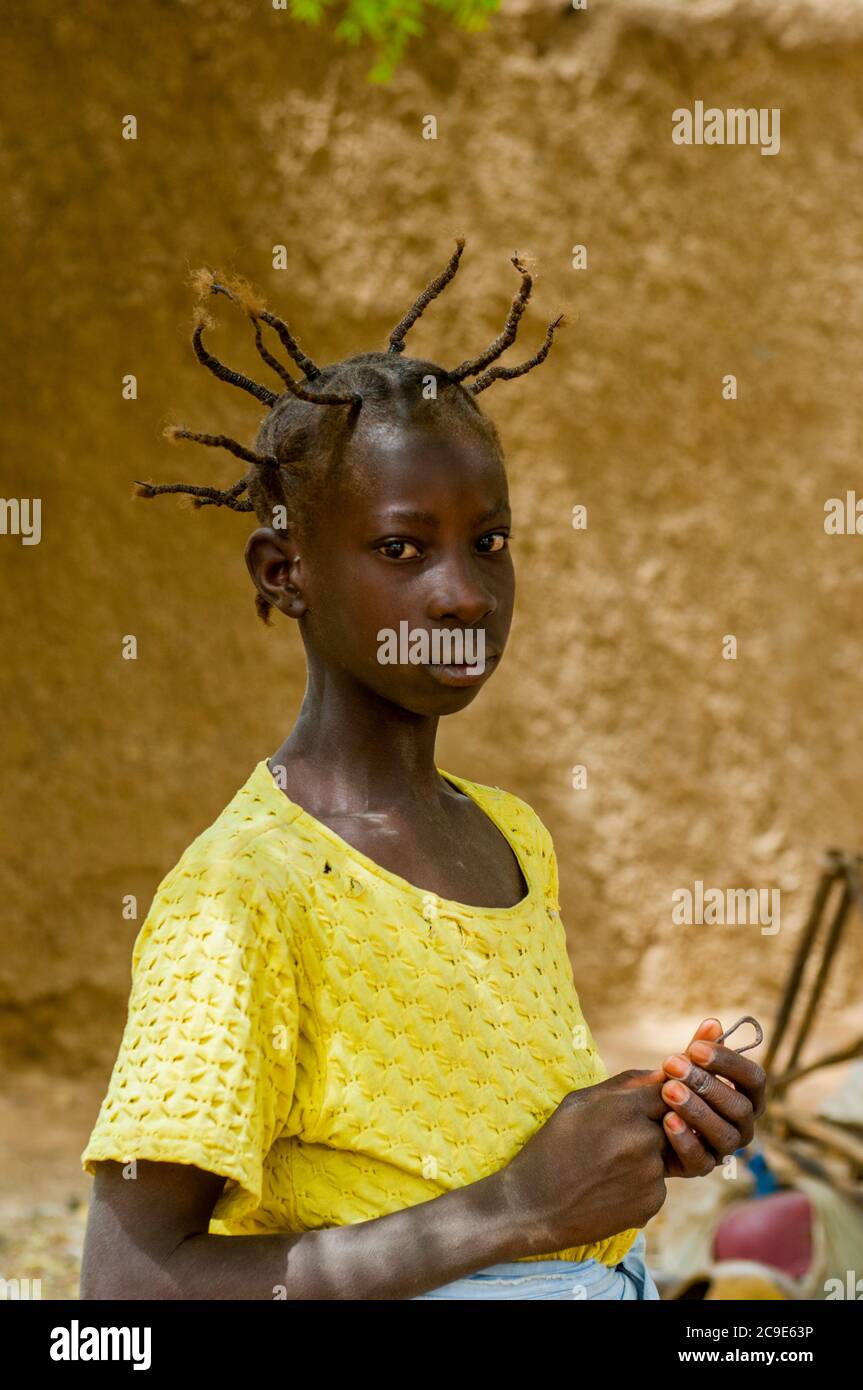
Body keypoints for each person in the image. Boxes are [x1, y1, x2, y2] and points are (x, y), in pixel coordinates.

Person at [79, 241, 766, 1300]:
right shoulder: (242, 896)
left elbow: (466, 1150)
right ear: (285, 570)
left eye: (487, 542)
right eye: (403, 549)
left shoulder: (509, 836)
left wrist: (641, 1129)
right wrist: (517, 1210)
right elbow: (123, 1294)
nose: (461, 595)